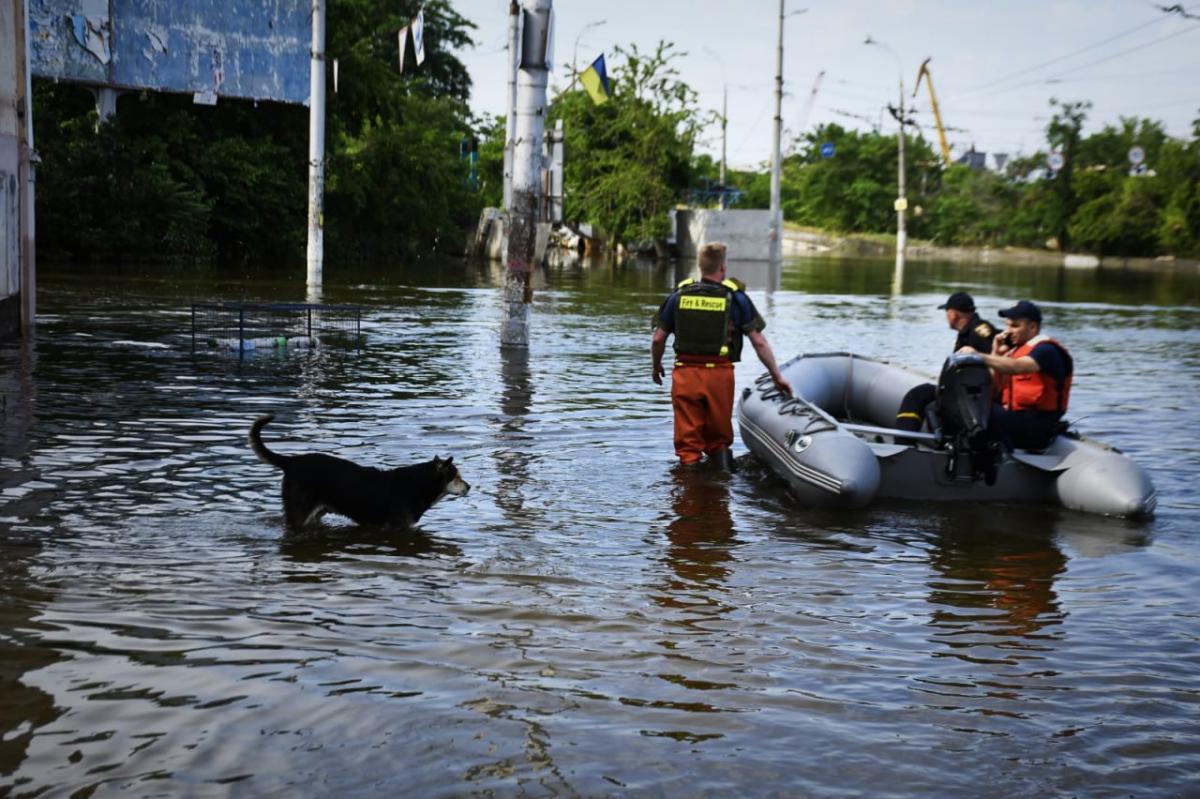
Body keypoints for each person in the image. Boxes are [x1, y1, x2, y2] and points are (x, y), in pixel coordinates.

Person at [651, 242, 792, 468]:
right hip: (719, 375)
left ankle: (688, 493)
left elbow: (658, 338)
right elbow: (759, 341)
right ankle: (721, 490)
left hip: (685, 374)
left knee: (688, 446)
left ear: (700, 266)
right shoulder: (736, 298)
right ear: (723, 267)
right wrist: (776, 375)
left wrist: (656, 366)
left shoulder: (679, 295)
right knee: (719, 441)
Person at [959, 299, 1073, 451]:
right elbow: (990, 388)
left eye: (1015, 326)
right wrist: (996, 353)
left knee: (981, 414)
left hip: (1037, 427)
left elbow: (1019, 367)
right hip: (1015, 418)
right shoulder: (1012, 353)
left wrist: (979, 356)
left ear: (1032, 327)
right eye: (1007, 325)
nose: (1008, 331)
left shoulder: (1046, 351)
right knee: (955, 402)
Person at [895, 291, 998, 431]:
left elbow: (996, 360)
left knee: (919, 395)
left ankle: (904, 441)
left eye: (947, 312)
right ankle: (907, 438)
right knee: (920, 393)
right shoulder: (967, 333)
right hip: (960, 390)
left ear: (953, 314)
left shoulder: (980, 332)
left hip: (972, 397)